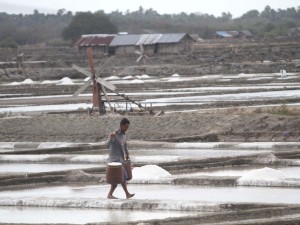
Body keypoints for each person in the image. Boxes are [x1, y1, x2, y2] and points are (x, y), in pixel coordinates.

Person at [106, 118, 135, 199]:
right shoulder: (114, 134)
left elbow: (125, 146)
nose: (127, 129)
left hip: (120, 160)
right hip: (114, 160)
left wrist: (127, 154)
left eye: (128, 127)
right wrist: (110, 138)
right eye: (125, 127)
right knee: (121, 177)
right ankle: (127, 194)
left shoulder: (124, 135)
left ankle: (110, 194)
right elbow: (107, 145)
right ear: (121, 125)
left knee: (117, 180)